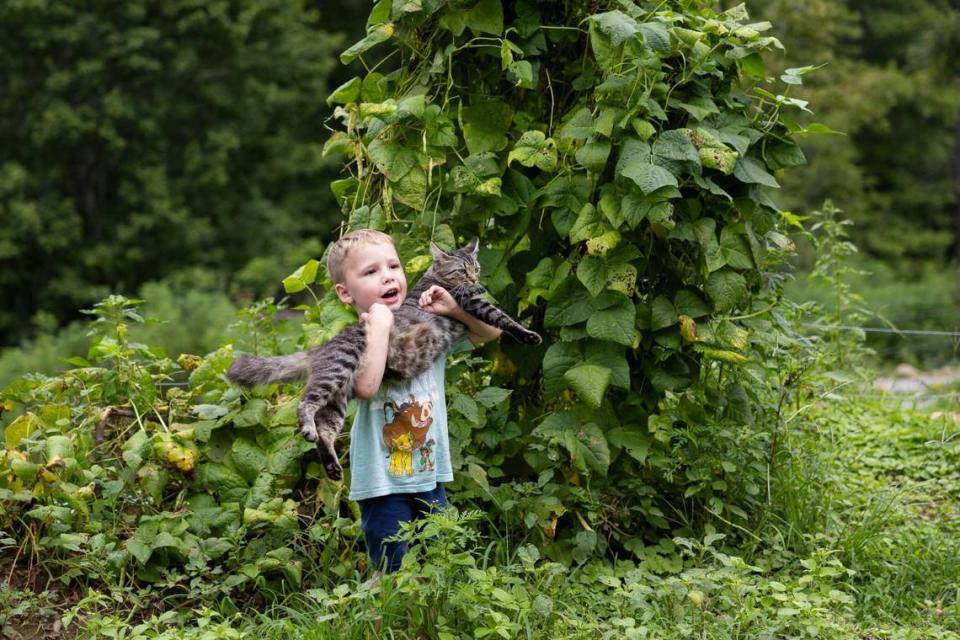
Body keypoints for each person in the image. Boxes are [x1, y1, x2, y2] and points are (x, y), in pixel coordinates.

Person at [326, 229, 502, 573]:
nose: (388, 275)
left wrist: (457, 310)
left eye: (394, 266)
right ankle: (384, 623)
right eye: (371, 272)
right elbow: (366, 386)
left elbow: (490, 333)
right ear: (345, 293)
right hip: (382, 481)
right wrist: (379, 327)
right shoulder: (355, 341)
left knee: (440, 561)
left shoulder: (427, 324)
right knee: (390, 568)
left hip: (430, 471)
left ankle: (426, 625)